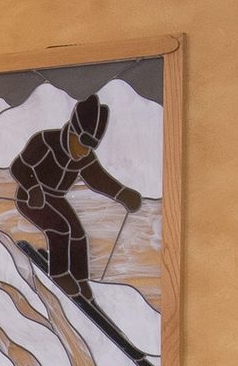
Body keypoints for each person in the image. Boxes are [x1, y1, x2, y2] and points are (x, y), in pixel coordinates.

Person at [10, 94, 143, 303]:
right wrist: (32, 187)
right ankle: (60, 273)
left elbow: (98, 180)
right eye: (82, 143)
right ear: (72, 131)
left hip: (55, 198)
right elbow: (19, 167)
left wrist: (123, 194)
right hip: (31, 196)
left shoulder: (84, 156)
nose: (84, 151)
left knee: (78, 234)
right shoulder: (45, 141)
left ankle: (80, 279)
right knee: (60, 228)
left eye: (90, 147)